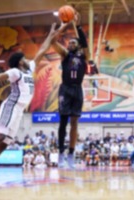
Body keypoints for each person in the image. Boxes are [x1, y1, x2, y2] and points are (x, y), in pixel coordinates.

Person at [0, 23, 67, 195]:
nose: (26, 60)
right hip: (11, 106)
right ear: (19, 62)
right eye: (23, 58)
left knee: (5, 143)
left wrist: (52, 32)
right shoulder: (15, 72)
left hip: (19, 110)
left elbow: (43, 49)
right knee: (0, 136)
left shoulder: (29, 70)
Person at [52, 13, 90, 169]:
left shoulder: (84, 57)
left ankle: (71, 154)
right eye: (69, 42)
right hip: (65, 89)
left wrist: (78, 26)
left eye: (74, 42)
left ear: (78, 46)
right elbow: (53, 42)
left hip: (77, 89)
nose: (70, 43)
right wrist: (61, 27)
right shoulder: (65, 55)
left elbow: (86, 44)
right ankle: (61, 152)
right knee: (63, 121)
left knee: (74, 123)